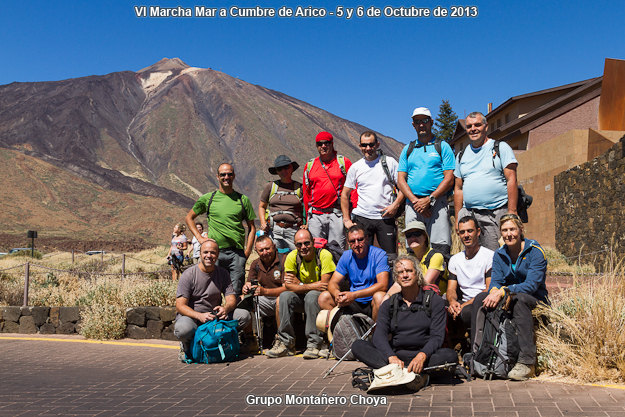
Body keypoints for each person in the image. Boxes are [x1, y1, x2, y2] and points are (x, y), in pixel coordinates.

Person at [471, 213, 548, 381]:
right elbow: (495, 284)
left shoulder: (535, 252)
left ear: (521, 230)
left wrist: (504, 291)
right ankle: (478, 355)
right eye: (504, 230)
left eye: (512, 229)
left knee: (518, 299)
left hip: (535, 300)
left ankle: (527, 363)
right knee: (480, 299)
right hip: (509, 298)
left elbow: (531, 286)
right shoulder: (499, 254)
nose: (508, 234)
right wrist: (493, 293)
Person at [352, 255, 457, 373]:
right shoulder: (389, 304)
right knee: (358, 345)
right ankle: (405, 372)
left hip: (424, 356)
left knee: (450, 356)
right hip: (396, 357)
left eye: (409, 271)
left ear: (417, 274)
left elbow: (437, 336)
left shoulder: (434, 301)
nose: (405, 275)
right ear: (396, 278)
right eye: (400, 272)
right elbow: (379, 335)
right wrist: (391, 356)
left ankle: (395, 373)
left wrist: (422, 356)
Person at [174, 239, 252, 362]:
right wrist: (199, 316)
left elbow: (231, 299)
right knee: (183, 329)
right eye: (205, 252)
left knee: (244, 316)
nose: (209, 256)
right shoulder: (188, 274)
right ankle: (186, 346)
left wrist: (225, 308)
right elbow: (180, 305)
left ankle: (226, 341)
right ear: (200, 253)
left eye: (213, 253)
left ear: (218, 255)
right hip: (193, 317)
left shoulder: (223, 273)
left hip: (214, 318)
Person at [185, 163, 256, 296]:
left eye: (229, 174)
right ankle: (215, 317)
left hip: (236, 254)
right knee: (212, 292)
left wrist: (247, 252)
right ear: (217, 177)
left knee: (235, 293)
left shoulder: (243, 200)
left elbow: (252, 227)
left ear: (234, 176)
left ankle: (233, 316)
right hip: (214, 253)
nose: (226, 177)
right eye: (223, 174)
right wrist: (200, 239)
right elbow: (189, 218)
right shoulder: (208, 199)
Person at [266, 229, 336, 359]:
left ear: (313, 242)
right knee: (284, 296)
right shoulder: (292, 256)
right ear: (295, 245)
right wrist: (310, 286)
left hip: (319, 299)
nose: (303, 247)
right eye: (299, 244)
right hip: (303, 296)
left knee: (311, 296)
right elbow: (288, 285)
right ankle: (286, 344)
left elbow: (324, 285)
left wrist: (300, 285)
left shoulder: (324, 255)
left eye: (306, 243)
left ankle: (314, 344)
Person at [454, 111, 518, 251]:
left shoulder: (501, 148)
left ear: (486, 126)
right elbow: (458, 189)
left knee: (495, 255)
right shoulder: (461, 155)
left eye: (477, 125)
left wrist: (512, 212)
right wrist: (458, 219)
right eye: (469, 126)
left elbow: (511, 179)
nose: (473, 129)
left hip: (495, 212)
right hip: (469, 214)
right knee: (471, 256)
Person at [397, 107, 455, 260]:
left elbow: (449, 178)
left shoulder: (442, 146)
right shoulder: (407, 149)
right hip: (413, 204)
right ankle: (416, 282)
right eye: (417, 121)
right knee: (413, 247)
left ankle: (440, 283)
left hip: (437, 203)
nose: (421, 124)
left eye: (424, 121)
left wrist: (430, 199)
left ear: (431, 122)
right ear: (413, 125)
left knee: (440, 247)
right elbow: (401, 179)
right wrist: (416, 202)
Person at [342, 131, 404, 263]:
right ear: (360, 146)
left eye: (371, 144)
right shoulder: (356, 167)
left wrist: (395, 205)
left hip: (385, 218)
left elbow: (403, 187)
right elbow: (345, 193)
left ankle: (389, 284)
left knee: (390, 259)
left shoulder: (390, 162)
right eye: (364, 145)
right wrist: (346, 219)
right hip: (362, 217)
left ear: (377, 144)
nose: (368, 148)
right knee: (361, 257)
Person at [318, 224, 389, 320]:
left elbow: (383, 285)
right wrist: (337, 294)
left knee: (380, 297)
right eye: (352, 241)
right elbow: (333, 282)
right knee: (324, 298)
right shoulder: (346, 256)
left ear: (367, 239)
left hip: (371, 300)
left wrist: (354, 295)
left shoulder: (379, 254)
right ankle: (344, 329)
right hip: (352, 301)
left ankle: (376, 333)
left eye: (360, 240)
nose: (357, 244)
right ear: (348, 242)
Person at [447, 216, 493, 346]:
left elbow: (488, 289)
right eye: (462, 232)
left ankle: (475, 350)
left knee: (467, 313)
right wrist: (452, 302)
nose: (466, 235)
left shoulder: (489, 256)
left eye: (470, 231)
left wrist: (463, 306)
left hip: (482, 302)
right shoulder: (455, 259)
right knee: (441, 308)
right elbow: (451, 289)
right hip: (462, 302)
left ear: (478, 232)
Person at [302, 131, 353, 248]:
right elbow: (306, 194)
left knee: (337, 249)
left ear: (332, 144)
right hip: (315, 215)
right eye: (320, 144)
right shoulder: (310, 165)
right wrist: (306, 221)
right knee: (316, 249)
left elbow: (353, 189)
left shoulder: (343, 162)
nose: (323, 146)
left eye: (326, 143)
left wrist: (349, 215)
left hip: (337, 214)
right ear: (316, 146)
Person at [385, 221, 447, 298]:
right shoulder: (408, 258)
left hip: (434, 299)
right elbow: (398, 283)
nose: (413, 238)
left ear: (425, 237)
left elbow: (425, 283)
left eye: (417, 234)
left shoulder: (436, 256)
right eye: (409, 235)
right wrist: (386, 298)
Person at [258, 155, 304, 252]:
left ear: (291, 168)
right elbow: (262, 206)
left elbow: (307, 208)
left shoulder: (300, 187)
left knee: (296, 257)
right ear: (277, 172)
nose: (283, 171)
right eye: (280, 169)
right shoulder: (271, 186)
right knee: (273, 257)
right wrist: (263, 222)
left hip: (294, 230)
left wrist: (306, 224)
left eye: (286, 167)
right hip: (274, 230)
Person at [241, 235, 287, 326]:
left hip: (282, 298)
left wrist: (265, 291)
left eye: (267, 249)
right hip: (265, 300)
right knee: (243, 300)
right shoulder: (255, 264)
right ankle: (251, 336)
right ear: (256, 251)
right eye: (261, 250)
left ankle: (281, 336)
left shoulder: (284, 260)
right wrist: (246, 288)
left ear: (274, 246)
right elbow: (249, 283)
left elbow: (288, 288)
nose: (265, 252)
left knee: (281, 299)